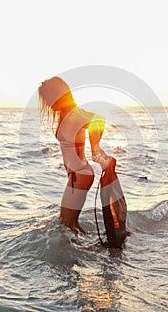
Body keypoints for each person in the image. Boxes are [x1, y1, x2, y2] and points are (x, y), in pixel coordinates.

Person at [38, 77, 110, 234]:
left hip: (80, 175)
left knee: (64, 224)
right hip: (78, 174)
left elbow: (99, 119)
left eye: (48, 99)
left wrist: (95, 149)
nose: (48, 104)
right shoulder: (67, 114)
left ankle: (75, 255)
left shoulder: (73, 115)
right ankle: (87, 249)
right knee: (72, 223)